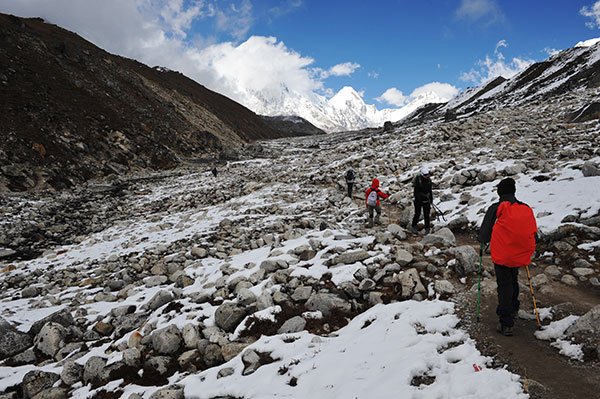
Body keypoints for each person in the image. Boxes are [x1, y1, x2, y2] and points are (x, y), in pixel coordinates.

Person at [478, 178, 537, 336]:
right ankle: (514, 308)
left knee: (504, 284)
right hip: (520, 253)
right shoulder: (525, 208)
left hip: (502, 254)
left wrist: (482, 242)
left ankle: (506, 322)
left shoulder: (497, 207)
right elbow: (533, 232)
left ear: (500, 192)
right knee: (513, 279)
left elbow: (484, 233)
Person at [409, 167, 433, 235]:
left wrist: (431, 199)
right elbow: (416, 192)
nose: (426, 176)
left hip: (426, 200)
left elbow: (430, 190)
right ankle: (414, 226)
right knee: (417, 213)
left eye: (427, 175)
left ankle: (427, 228)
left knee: (426, 214)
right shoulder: (418, 180)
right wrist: (420, 199)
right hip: (419, 200)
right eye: (425, 175)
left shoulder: (428, 180)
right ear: (422, 174)